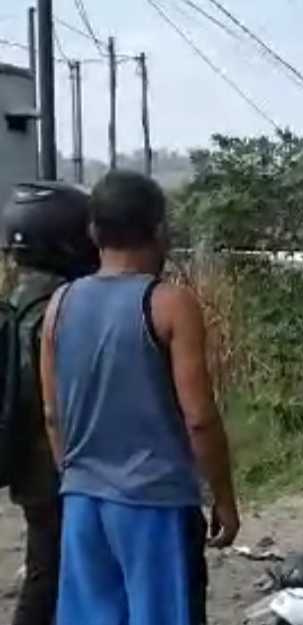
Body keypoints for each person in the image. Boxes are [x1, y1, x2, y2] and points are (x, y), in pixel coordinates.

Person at [39, 170, 240, 625]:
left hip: (83, 502)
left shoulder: (60, 304)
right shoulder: (169, 303)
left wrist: (75, 476)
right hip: (155, 504)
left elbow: (53, 414)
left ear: (93, 232)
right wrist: (223, 498)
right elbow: (199, 419)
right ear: (159, 230)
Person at [1, 182, 99, 625]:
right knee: (52, 571)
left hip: (26, 461)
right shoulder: (62, 308)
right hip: (56, 465)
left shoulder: (16, 303)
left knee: (50, 563)